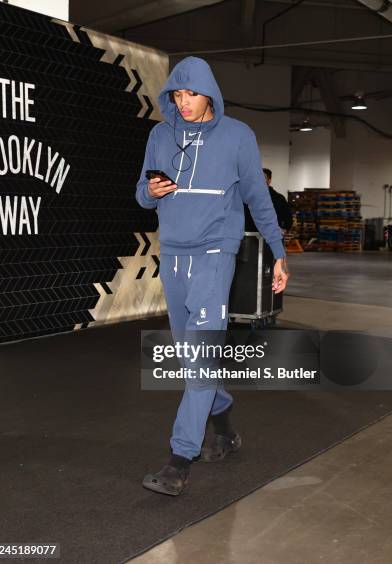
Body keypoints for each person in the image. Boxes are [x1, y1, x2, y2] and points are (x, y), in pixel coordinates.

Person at [135, 56, 289, 496]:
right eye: (177, 95)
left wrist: (278, 253)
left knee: (200, 356)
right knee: (191, 358)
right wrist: (152, 190)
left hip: (216, 255)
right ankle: (223, 424)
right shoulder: (160, 134)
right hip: (175, 257)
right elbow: (140, 195)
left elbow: (258, 199)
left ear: (211, 94)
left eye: (192, 94)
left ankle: (179, 459)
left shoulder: (237, 136)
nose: (184, 103)